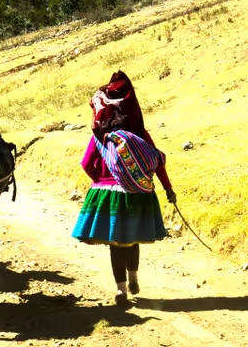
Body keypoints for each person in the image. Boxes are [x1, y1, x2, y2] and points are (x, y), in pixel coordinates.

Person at [71, 70, 176, 304]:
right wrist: (168, 189)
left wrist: (99, 179)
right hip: (138, 193)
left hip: (107, 193)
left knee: (115, 243)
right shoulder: (140, 134)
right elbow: (156, 162)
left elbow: (86, 163)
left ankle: (121, 290)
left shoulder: (100, 136)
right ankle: (134, 277)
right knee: (132, 239)